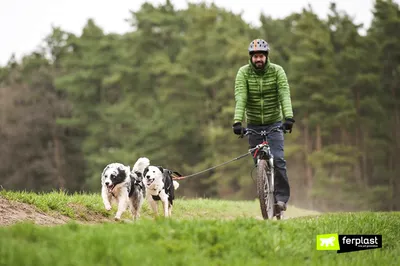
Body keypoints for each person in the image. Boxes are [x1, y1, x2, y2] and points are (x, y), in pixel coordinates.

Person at [232, 38, 295, 212]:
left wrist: (288, 118)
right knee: (258, 161)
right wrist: (237, 121)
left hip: (274, 123)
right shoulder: (243, 73)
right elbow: (241, 97)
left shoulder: (277, 71)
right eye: (255, 57)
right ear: (250, 58)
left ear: (266, 57)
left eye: (261, 56)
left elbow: (284, 94)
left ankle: (281, 199)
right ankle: (265, 192)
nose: (258, 59)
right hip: (253, 124)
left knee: (279, 159)